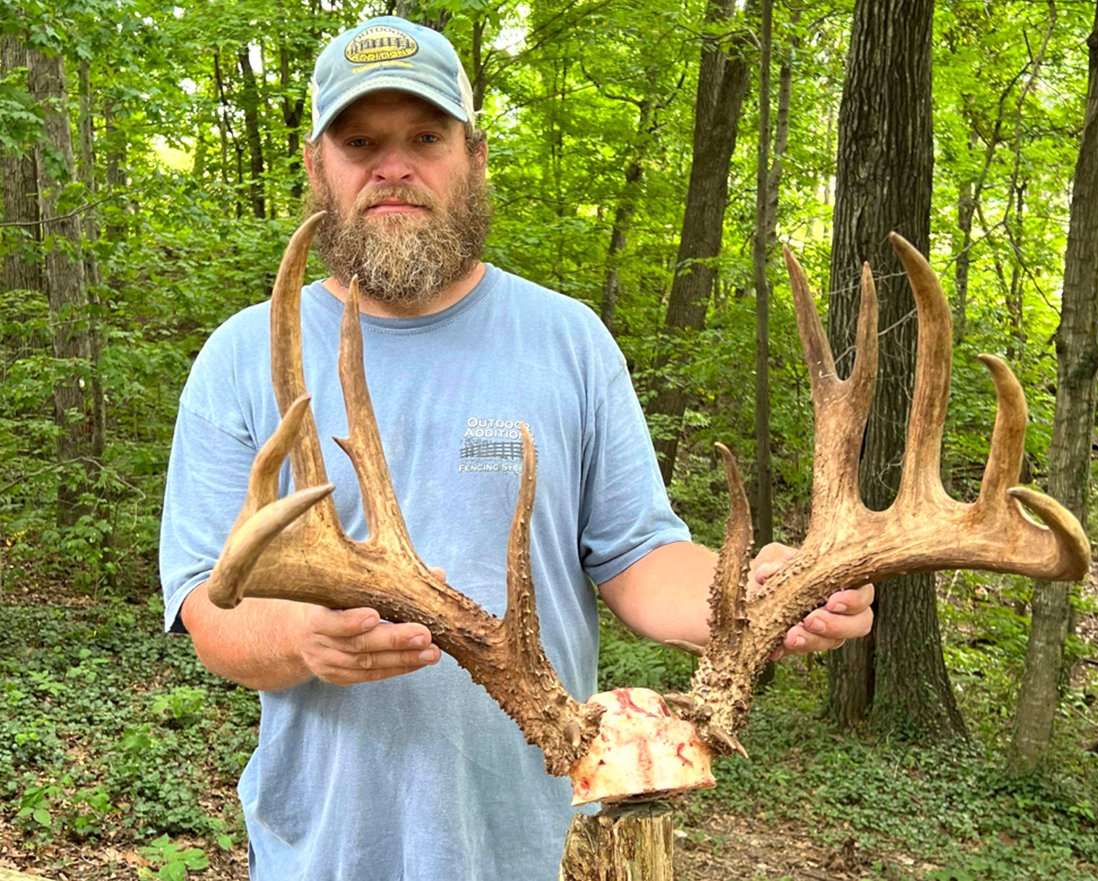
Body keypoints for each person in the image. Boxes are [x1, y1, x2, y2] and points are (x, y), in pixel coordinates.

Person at [159, 15, 874, 881]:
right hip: (326, 852)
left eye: (425, 136)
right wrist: (304, 638)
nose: (395, 166)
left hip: (530, 846)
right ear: (319, 166)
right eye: (361, 142)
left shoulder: (568, 339)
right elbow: (209, 607)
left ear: (475, 154)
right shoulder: (249, 352)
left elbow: (639, 556)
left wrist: (757, 592)